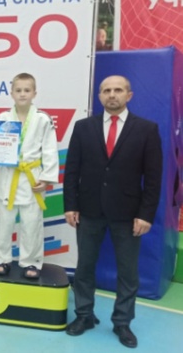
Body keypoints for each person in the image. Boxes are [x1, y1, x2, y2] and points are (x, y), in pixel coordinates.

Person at [64, 75, 162, 348]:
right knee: (84, 268)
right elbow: (71, 170)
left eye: (118, 90)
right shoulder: (83, 127)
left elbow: (153, 178)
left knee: (128, 273)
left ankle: (122, 322)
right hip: (88, 210)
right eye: (106, 90)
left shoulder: (146, 129)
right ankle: (84, 315)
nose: (112, 95)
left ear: (129, 95)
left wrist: (146, 214)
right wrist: (71, 205)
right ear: (99, 96)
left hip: (129, 213)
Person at [0, 73, 58, 279]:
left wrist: (47, 178)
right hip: (7, 177)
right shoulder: (2, 119)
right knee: (3, 223)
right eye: (19, 90)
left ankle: (31, 262)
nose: (23, 94)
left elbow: (50, 150)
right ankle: (2, 259)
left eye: (27, 90)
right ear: (11, 93)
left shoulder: (43, 119)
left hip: (31, 177)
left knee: (32, 223)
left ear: (34, 93)